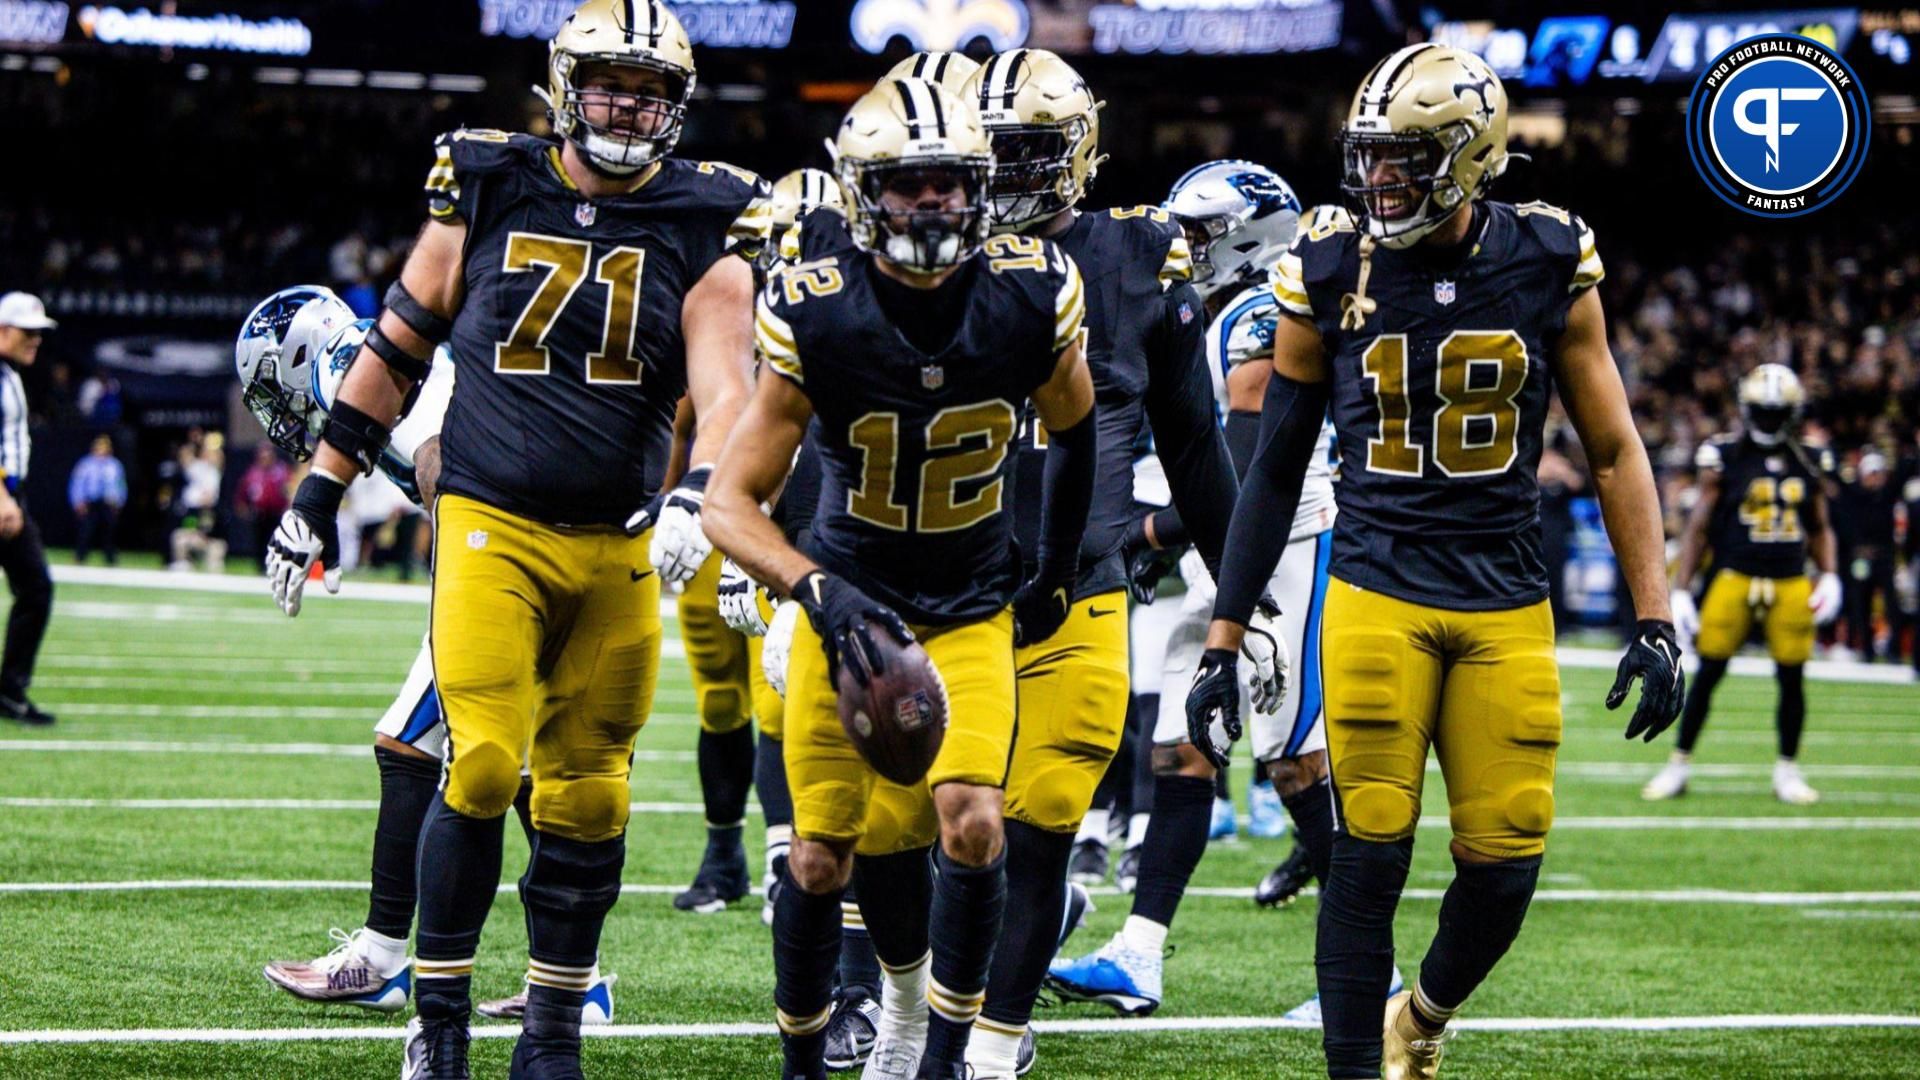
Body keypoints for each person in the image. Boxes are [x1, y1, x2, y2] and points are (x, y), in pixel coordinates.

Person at [257, 1, 768, 1074]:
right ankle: (436, 1024)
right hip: (493, 522)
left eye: (650, 89)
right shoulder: (490, 176)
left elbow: (729, 389)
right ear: (564, 84)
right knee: (482, 762)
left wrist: (700, 492)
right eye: (609, 82)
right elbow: (397, 342)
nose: (626, 105)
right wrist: (317, 490)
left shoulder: (708, 214)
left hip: (622, 537)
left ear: (676, 105)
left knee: (590, 790)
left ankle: (550, 1029)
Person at [1183, 45, 1685, 1079]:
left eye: (1403, 160)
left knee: (1505, 864)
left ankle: (1422, 1017)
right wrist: (1223, 637)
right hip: (1376, 588)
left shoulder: (1549, 255)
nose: (1378, 182)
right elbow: (1274, 467)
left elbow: (1614, 446)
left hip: (1504, 596)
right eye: (1368, 159)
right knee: (1368, 854)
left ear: (1468, 157)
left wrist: (1655, 617)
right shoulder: (1327, 266)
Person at [701, 77, 1097, 1080]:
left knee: (970, 824)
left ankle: (944, 1058)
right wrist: (816, 593)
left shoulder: (1029, 292)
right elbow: (730, 503)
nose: (931, 203)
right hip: (855, 606)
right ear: (861, 192)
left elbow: (1077, 427)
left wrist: (1049, 567)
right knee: (817, 857)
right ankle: (802, 1062)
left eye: (949, 183)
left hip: (967, 607)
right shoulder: (815, 309)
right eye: (906, 183)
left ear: (979, 189)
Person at [957, 54, 1252, 1075]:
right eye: (989, 153)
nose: (1004, 176)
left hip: (1074, 589)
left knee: (1038, 823)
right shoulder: (916, 249)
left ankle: (995, 1044)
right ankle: (904, 1012)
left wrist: (1240, 610)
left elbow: (1197, 449)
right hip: (938, 589)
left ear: (1078, 152)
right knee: (934, 831)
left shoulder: (1136, 261)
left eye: (1028, 153)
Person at [1048, 156, 1379, 1024]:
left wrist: (1144, 531)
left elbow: (1238, 465)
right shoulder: (1189, 303)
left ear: (1252, 234)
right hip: (1218, 549)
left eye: (1201, 232)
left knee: (1294, 759)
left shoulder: (1263, 310)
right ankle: (1140, 953)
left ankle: (1368, 976)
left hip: (1282, 553)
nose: (1182, 245)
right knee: (1181, 752)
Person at [1645, 364, 1841, 806]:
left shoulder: (1810, 457)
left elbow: (1820, 526)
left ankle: (1787, 770)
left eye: (1777, 411)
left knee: (1792, 679)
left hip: (1791, 578)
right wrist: (1682, 587)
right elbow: (1698, 527)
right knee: (1708, 675)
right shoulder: (1725, 456)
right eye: (1764, 410)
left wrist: (1829, 573)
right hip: (1734, 576)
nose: (1770, 418)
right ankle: (1678, 764)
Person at [0, 291, 57, 726]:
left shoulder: (11, 373)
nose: (35, 339)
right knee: (35, 587)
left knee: (36, 588)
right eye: (27, 331)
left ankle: (10, 691)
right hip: (2, 496)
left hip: (11, 496)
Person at [69, 434, 126, 565]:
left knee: (109, 531)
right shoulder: (85, 464)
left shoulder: (114, 465)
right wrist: (78, 501)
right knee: (86, 530)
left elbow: (120, 484)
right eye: (99, 446)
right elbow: (77, 483)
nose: (101, 449)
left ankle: (110, 558)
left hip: (109, 502)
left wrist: (119, 501)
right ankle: (80, 556)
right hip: (90, 502)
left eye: (104, 447)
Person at [235, 442, 291, 558]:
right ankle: (260, 563)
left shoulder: (281, 472)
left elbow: (288, 490)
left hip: (277, 513)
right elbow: (243, 492)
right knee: (259, 540)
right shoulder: (253, 473)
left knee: (276, 539)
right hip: (259, 513)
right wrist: (242, 507)